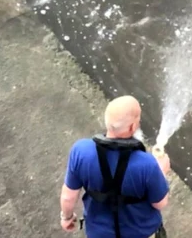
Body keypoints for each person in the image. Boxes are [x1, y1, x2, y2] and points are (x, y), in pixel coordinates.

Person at [59, 95, 171, 238]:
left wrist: (67, 218)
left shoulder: (81, 151)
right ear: (132, 126)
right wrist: (161, 172)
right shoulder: (147, 164)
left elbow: (68, 197)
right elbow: (160, 203)